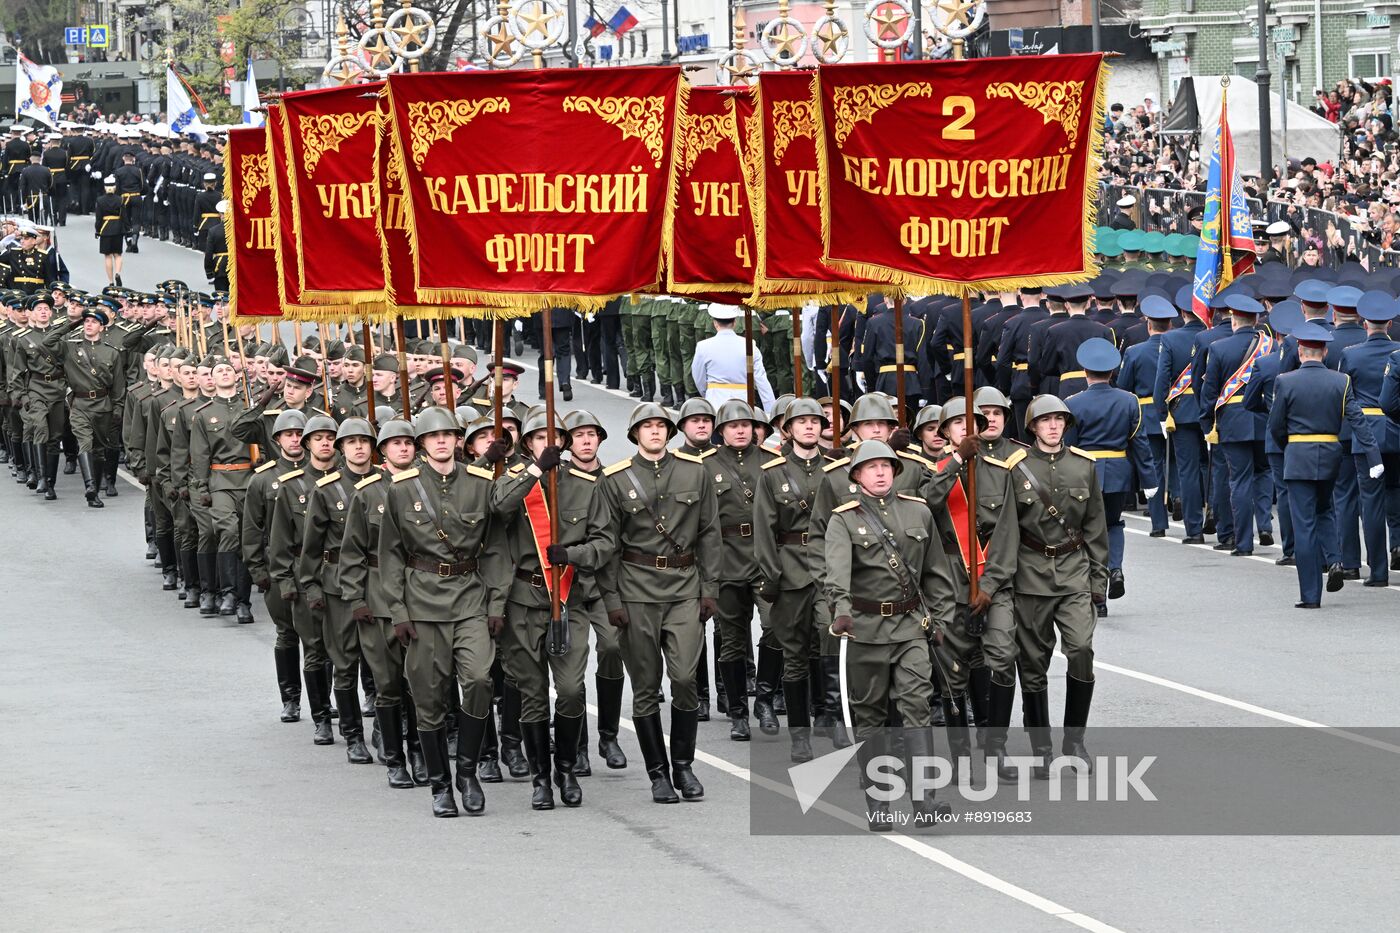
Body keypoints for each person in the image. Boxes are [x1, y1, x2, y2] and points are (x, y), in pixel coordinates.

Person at [378, 406, 506, 818]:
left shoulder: (481, 483)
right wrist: (397, 610)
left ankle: (466, 771)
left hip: (470, 598)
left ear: (457, 440)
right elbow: (391, 556)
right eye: (433, 437)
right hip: (422, 605)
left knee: (481, 680)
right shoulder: (402, 488)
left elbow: (498, 548)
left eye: (448, 435)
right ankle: (440, 785)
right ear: (421, 444)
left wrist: (497, 603)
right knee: (429, 699)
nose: (441, 441)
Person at [824, 440, 955, 832]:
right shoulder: (843, 519)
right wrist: (842, 613)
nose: (880, 473)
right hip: (864, 631)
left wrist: (941, 620)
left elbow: (936, 573)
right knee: (871, 718)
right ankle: (879, 803)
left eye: (886, 466)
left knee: (917, 706)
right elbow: (837, 573)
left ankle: (924, 801)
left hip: (911, 627)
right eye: (871, 467)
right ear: (857, 476)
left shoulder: (918, 512)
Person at [597, 402, 719, 804]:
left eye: (660, 426)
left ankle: (683, 765)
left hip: (684, 587)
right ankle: (658, 774)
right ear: (635, 434)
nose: (654, 432)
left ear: (669, 432)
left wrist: (710, 588)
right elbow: (608, 545)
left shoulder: (694, 471)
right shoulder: (614, 480)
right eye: (646, 427)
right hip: (636, 590)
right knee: (646, 688)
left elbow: (709, 533)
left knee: (685, 679)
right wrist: (612, 599)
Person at [490, 411, 613, 809]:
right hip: (524, 601)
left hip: (568, 600)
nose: (549, 443)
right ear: (527, 444)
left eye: (554, 437)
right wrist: (532, 471)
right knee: (532, 695)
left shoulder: (586, 486)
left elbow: (605, 542)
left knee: (573, 690)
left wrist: (572, 553)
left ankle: (566, 767)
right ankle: (540, 778)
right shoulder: (513, 480)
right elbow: (497, 509)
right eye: (539, 437)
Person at [1007, 396, 1108, 776]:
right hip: (1030, 575)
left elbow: (1096, 528)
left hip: (1073, 572)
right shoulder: (1016, 470)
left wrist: (1099, 579)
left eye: (1059, 420)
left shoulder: (1084, 467)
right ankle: (1041, 748)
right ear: (1032, 427)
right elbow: (1007, 531)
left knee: (1081, 648)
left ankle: (1074, 740)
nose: (1053, 427)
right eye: (1045, 421)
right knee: (1032, 665)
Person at [924, 396, 1019, 771]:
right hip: (948, 585)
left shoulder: (1001, 471)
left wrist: (991, 586)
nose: (967, 427)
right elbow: (929, 501)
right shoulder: (934, 470)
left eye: (974, 421)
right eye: (957, 423)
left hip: (991, 582)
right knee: (952, 674)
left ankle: (996, 745)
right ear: (945, 431)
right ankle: (960, 754)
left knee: (1002, 658)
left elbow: (1008, 534)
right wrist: (959, 460)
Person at [337, 417, 430, 789]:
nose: (403, 449)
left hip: (421, 596)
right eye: (395, 444)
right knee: (389, 684)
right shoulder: (367, 493)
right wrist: (356, 598)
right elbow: (352, 552)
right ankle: (395, 758)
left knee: (421, 684)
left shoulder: (429, 489)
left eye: (409, 443)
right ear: (384, 452)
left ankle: (421, 753)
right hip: (378, 601)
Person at [1271, 323, 1381, 607]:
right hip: (1331, 453)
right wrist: (1373, 457)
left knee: (1304, 524)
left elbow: (1275, 427)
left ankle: (1310, 595)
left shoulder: (1285, 381)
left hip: (1298, 455)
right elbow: (1358, 421)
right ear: (1325, 352)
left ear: (1299, 352)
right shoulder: (1340, 381)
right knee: (1325, 509)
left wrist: (1290, 447)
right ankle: (1334, 559)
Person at [298, 417, 379, 766]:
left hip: (377, 583)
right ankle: (352, 734)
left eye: (364, 441)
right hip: (337, 586)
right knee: (344, 662)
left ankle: (384, 728)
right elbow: (310, 547)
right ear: (342, 449)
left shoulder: (388, 484)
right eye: (351, 442)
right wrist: (311, 586)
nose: (359, 447)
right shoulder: (327, 489)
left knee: (383, 662)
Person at [1066, 339, 1158, 612]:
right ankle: (1115, 568)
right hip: (1118, 472)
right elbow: (1139, 443)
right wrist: (1150, 481)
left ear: (1085, 372)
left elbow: (1069, 446)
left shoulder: (1072, 403)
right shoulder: (1129, 401)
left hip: (1084, 474)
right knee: (1113, 525)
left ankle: (1098, 596)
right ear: (1112, 372)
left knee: (1085, 532)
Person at [267, 414, 342, 746]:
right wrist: (285, 582)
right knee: (314, 649)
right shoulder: (292, 486)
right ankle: (321, 717)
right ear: (308, 445)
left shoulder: (350, 483)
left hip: (342, 575)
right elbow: (280, 540)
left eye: (330, 437)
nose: (325, 442)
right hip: (305, 574)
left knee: (344, 650)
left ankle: (346, 703)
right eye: (318, 437)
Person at [563, 409, 628, 771]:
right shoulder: (557, 482)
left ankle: (609, 735)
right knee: (573, 667)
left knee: (613, 646)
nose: (586, 441)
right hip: (569, 586)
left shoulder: (615, 480)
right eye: (578, 435)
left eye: (592, 434)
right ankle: (581, 746)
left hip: (607, 584)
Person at [241, 410, 308, 724]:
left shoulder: (321, 474)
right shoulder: (263, 478)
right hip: (279, 564)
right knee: (287, 634)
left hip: (314, 565)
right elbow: (252, 528)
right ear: (278, 439)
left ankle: (324, 698)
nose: (294, 439)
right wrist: (258, 571)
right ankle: (291, 699)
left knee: (320, 638)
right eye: (288, 434)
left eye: (299, 433)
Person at [691, 303, 775, 411]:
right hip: (743, 402)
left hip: (715, 401)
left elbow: (698, 378)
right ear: (735, 323)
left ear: (715, 323)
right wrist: (770, 410)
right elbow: (761, 379)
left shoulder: (703, 346)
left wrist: (707, 392)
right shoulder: (750, 345)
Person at [94, 176, 125, 285]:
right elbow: (124, 216)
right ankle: (118, 273)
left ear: (105, 187)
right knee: (118, 254)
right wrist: (126, 230)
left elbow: (98, 218)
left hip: (105, 229)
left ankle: (111, 281)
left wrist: (97, 230)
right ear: (115, 187)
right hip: (118, 229)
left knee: (107, 256)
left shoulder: (100, 200)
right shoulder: (120, 199)